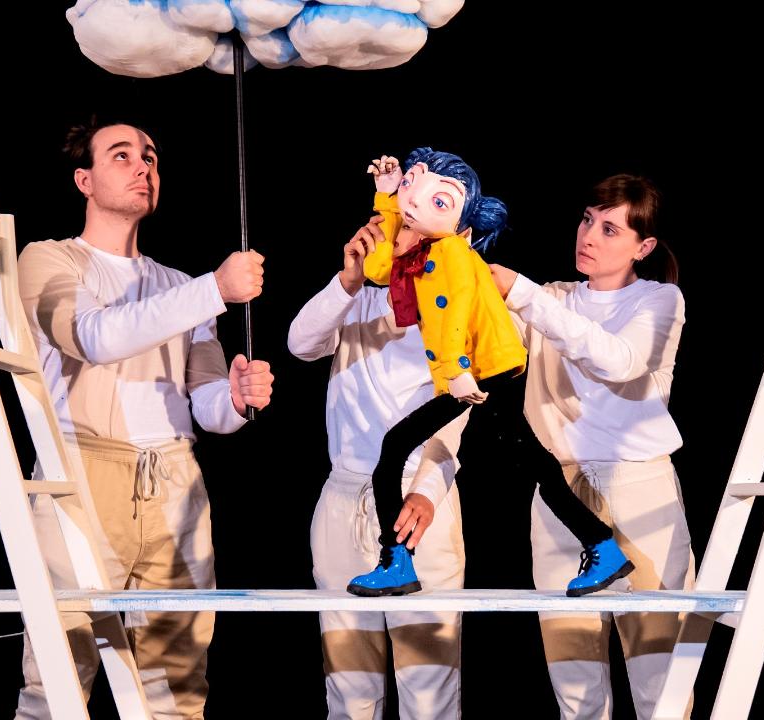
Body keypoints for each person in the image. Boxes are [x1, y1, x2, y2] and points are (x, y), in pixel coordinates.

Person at [13, 120, 274, 720]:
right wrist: (215, 288)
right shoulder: (48, 260)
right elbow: (94, 338)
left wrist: (236, 399)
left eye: (150, 157)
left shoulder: (179, 285)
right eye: (121, 155)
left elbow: (208, 408)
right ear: (84, 180)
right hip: (82, 478)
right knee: (58, 677)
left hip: (176, 482)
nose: (143, 167)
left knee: (178, 683)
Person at [347, 149, 632, 599]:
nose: (415, 198)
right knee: (534, 460)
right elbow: (378, 268)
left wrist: (457, 371)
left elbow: (454, 313)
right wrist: (385, 197)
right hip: (484, 369)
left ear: (461, 223)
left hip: (482, 371)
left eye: (439, 200)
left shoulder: (451, 255)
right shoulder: (423, 252)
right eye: (412, 182)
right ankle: (602, 546)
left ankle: (395, 561)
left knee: (395, 446)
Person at [490, 174, 695, 719]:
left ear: (643, 248)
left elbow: (618, 361)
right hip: (562, 493)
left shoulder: (659, 300)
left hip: (639, 487)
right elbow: (480, 333)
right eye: (587, 220)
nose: (589, 236)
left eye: (610, 229)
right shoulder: (552, 298)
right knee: (575, 681)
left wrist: (523, 294)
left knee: (660, 679)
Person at [288, 214, 468, 718]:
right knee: (349, 690)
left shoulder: (458, 313)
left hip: (417, 500)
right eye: (396, 220)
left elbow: (455, 420)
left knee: (430, 694)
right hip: (344, 496)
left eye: (413, 222)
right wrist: (347, 280)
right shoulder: (358, 303)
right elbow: (300, 344)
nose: (398, 233)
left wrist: (428, 490)